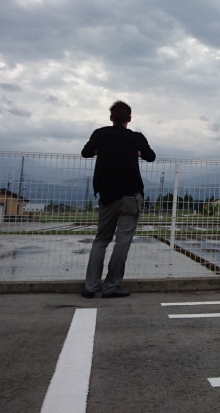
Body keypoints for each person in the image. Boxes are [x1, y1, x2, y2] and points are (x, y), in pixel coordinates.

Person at [81, 101, 156, 298]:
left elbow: (85, 153)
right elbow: (151, 157)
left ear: (111, 117)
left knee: (101, 240)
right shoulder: (136, 137)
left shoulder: (100, 134)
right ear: (129, 119)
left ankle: (90, 287)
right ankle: (111, 286)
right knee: (122, 241)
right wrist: (137, 152)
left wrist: (102, 151)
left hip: (107, 195)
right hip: (131, 196)